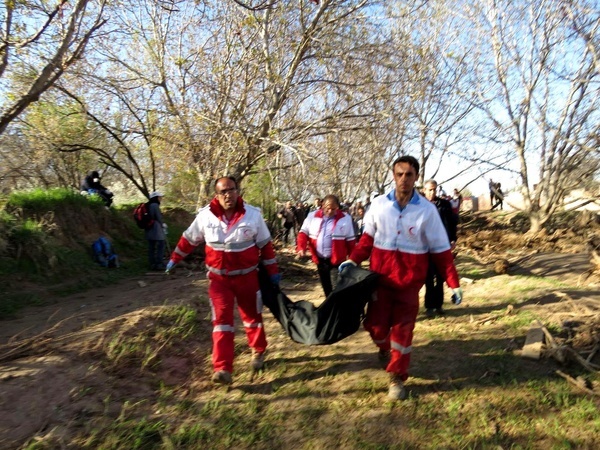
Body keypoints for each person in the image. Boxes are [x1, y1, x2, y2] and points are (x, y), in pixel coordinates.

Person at [338, 155, 462, 401]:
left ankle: (396, 377)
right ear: (393, 176)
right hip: (380, 281)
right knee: (375, 327)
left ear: (416, 177)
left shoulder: (427, 211)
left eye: (409, 174)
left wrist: (453, 283)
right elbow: (367, 240)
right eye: (399, 174)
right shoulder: (379, 204)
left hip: (409, 285)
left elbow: (441, 251)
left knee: (403, 332)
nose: (404, 179)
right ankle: (385, 348)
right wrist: (353, 260)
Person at [165, 176, 280, 385]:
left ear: (238, 191)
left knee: (252, 317)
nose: (228, 195)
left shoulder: (253, 215)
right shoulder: (205, 216)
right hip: (219, 281)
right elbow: (189, 240)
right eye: (223, 192)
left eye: (231, 190)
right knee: (221, 323)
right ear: (216, 195)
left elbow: (266, 246)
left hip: (247, 278)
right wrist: (174, 258)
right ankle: (222, 368)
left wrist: (273, 271)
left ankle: (258, 350)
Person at [296, 194, 356, 296]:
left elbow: (351, 242)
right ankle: (329, 309)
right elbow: (303, 233)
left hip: (337, 260)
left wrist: (353, 260)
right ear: (323, 205)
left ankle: (337, 309)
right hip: (320, 260)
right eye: (328, 208)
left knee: (336, 288)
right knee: (326, 288)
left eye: (334, 209)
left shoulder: (345, 218)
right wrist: (301, 248)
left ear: (338, 207)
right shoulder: (312, 216)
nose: (330, 211)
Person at [422, 180, 458, 317]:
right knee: (428, 277)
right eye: (429, 190)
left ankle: (439, 305)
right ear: (424, 190)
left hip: (442, 246)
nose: (432, 192)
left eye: (434, 190)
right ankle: (429, 306)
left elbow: (452, 223)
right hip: (425, 247)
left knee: (441, 276)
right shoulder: (419, 205)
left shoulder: (444, 205)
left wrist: (453, 239)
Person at [146, 191, 167, 271]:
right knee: (161, 245)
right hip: (156, 229)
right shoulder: (155, 205)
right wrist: (163, 225)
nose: (160, 199)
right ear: (156, 198)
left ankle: (152, 264)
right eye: (159, 197)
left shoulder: (148, 205)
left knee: (151, 247)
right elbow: (158, 217)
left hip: (149, 229)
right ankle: (159, 264)